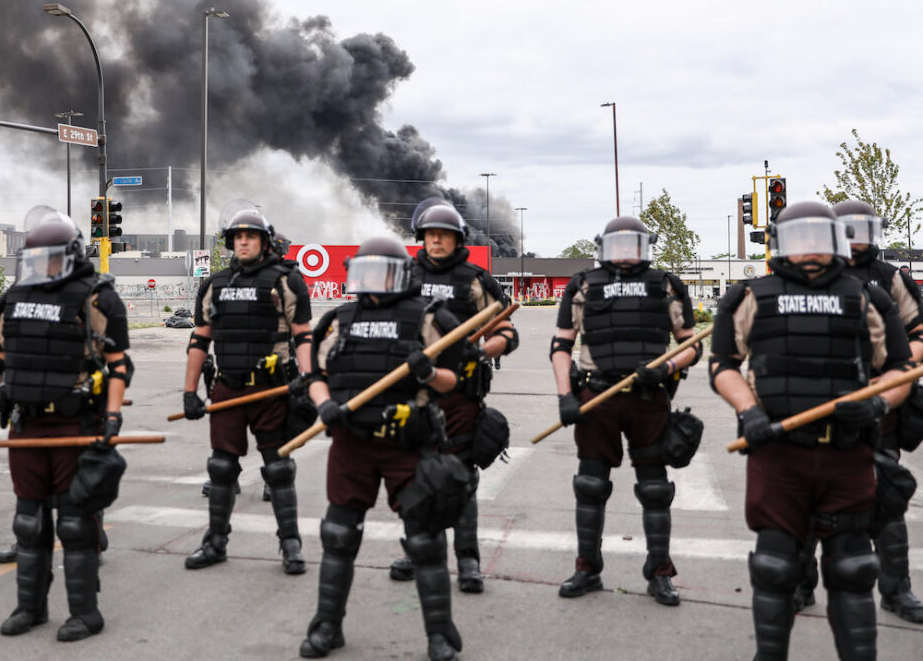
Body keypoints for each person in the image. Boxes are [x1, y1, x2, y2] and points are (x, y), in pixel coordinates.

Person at [711, 201, 914, 659]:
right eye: (799, 240)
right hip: (778, 454)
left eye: (820, 240)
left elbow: (900, 369)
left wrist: (879, 402)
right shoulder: (749, 295)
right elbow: (723, 365)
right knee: (775, 567)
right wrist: (749, 412)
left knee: (853, 568)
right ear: (781, 244)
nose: (810, 251)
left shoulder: (868, 297)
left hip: (847, 454)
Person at [298, 236, 466, 661]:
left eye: (383, 271)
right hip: (352, 442)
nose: (373, 281)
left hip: (409, 444)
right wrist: (325, 404)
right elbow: (315, 373)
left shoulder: (428, 319)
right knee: (338, 535)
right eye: (365, 271)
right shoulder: (340, 320)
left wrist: (428, 372)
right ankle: (326, 626)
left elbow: (453, 381)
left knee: (424, 540)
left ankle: (440, 635)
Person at [0, 214, 131, 642]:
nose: (44, 267)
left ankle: (85, 613)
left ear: (73, 256)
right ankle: (30, 608)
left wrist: (112, 418)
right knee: (30, 522)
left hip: (75, 424)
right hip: (26, 426)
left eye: (51, 258)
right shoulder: (12, 299)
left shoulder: (97, 299)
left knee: (75, 523)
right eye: (36, 259)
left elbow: (118, 365)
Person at [549, 215, 700, 606]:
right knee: (590, 485)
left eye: (634, 244)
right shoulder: (582, 285)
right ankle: (587, 569)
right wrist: (566, 396)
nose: (625, 252)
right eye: (617, 244)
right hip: (596, 398)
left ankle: (660, 573)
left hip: (648, 399)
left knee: (654, 488)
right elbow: (561, 345)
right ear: (603, 247)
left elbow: (691, 345)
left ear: (644, 247)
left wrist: (665, 368)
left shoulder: (665, 285)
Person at [790, 200, 923, 624]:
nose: (856, 239)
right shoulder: (803, 274)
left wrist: (886, 383)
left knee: (884, 500)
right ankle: (799, 584)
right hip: (810, 407)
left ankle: (897, 590)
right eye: (848, 230)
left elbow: (918, 337)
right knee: (805, 502)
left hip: (876, 409)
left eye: (864, 230)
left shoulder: (889, 278)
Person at [388, 199, 518, 593]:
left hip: (460, 394)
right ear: (421, 238)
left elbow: (507, 333)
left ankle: (468, 562)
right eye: (430, 234)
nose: (436, 240)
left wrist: (483, 350)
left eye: (444, 234)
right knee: (413, 474)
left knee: (460, 478)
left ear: (458, 238)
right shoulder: (402, 275)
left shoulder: (475, 279)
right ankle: (417, 551)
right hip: (413, 392)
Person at [182, 204, 313, 574]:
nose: (243, 241)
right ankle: (215, 543)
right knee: (221, 468)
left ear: (265, 241)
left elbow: (303, 335)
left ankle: (291, 546)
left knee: (278, 469)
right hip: (227, 389)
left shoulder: (286, 281)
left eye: (250, 236)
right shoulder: (215, 285)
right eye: (237, 236)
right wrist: (190, 392)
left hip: (272, 390)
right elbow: (199, 339)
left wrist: (307, 378)